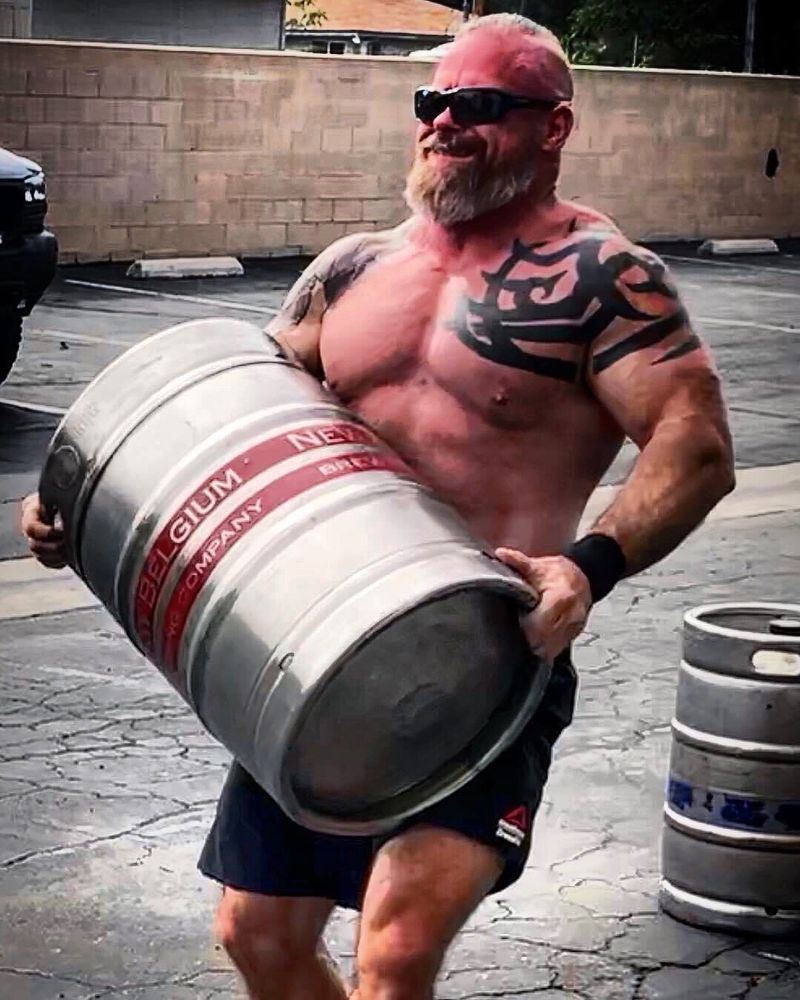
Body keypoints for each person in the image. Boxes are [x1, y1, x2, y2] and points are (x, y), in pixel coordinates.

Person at [21, 13, 735, 1000]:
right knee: (256, 933)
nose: (443, 122)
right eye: (431, 101)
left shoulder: (600, 277)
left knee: (394, 953)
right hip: (321, 650)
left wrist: (586, 566)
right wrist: (74, 503)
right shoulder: (353, 268)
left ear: (554, 126)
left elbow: (695, 447)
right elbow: (240, 408)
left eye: (478, 105)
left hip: (491, 655)